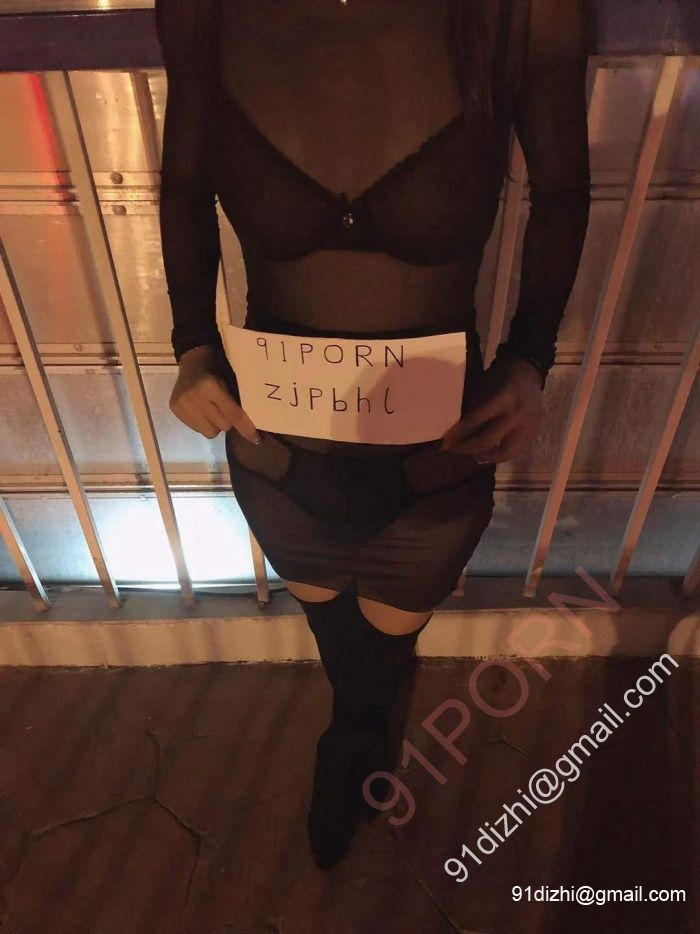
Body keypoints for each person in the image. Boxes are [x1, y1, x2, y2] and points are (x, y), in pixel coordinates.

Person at [154, 0, 591, 869]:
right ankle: (356, 733)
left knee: (386, 645)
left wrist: (531, 356)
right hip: (276, 457)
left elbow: (564, 191)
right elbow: (182, 186)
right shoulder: (205, 8)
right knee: (335, 631)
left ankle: (354, 736)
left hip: (436, 465)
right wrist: (192, 343)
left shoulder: (522, 11)